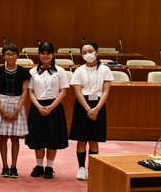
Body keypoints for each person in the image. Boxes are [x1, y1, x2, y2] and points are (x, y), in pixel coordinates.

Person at [69, 42, 114, 180]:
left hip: (99, 105)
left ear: (96, 52)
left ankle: (92, 168)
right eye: (84, 52)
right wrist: (89, 109)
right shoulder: (79, 71)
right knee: (82, 139)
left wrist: (96, 109)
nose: (88, 54)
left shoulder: (105, 69)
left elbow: (106, 91)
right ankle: (81, 168)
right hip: (83, 106)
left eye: (90, 51)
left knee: (94, 140)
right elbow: (77, 92)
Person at [26, 42, 70, 179]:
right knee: (38, 138)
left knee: (53, 138)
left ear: (53, 55)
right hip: (37, 107)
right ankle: (39, 166)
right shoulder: (32, 72)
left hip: (54, 107)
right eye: (43, 53)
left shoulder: (60, 71)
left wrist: (51, 107)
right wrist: (39, 107)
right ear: (39, 55)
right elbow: (30, 92)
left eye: (48, 53)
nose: (45, 56)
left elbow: (63, 91)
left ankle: (49, 167)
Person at [0, 44, 31, 178]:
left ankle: (14, 166)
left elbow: (25, 91)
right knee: (2, 137)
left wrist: (18, 109)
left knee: (15, 138)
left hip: (17, 103)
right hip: (2, 102)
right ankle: (4, 166)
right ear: (3, 56)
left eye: (13, 54)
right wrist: (0, 108)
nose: (10, 57)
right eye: (7, 54)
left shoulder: (23, 72)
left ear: (18, 56)